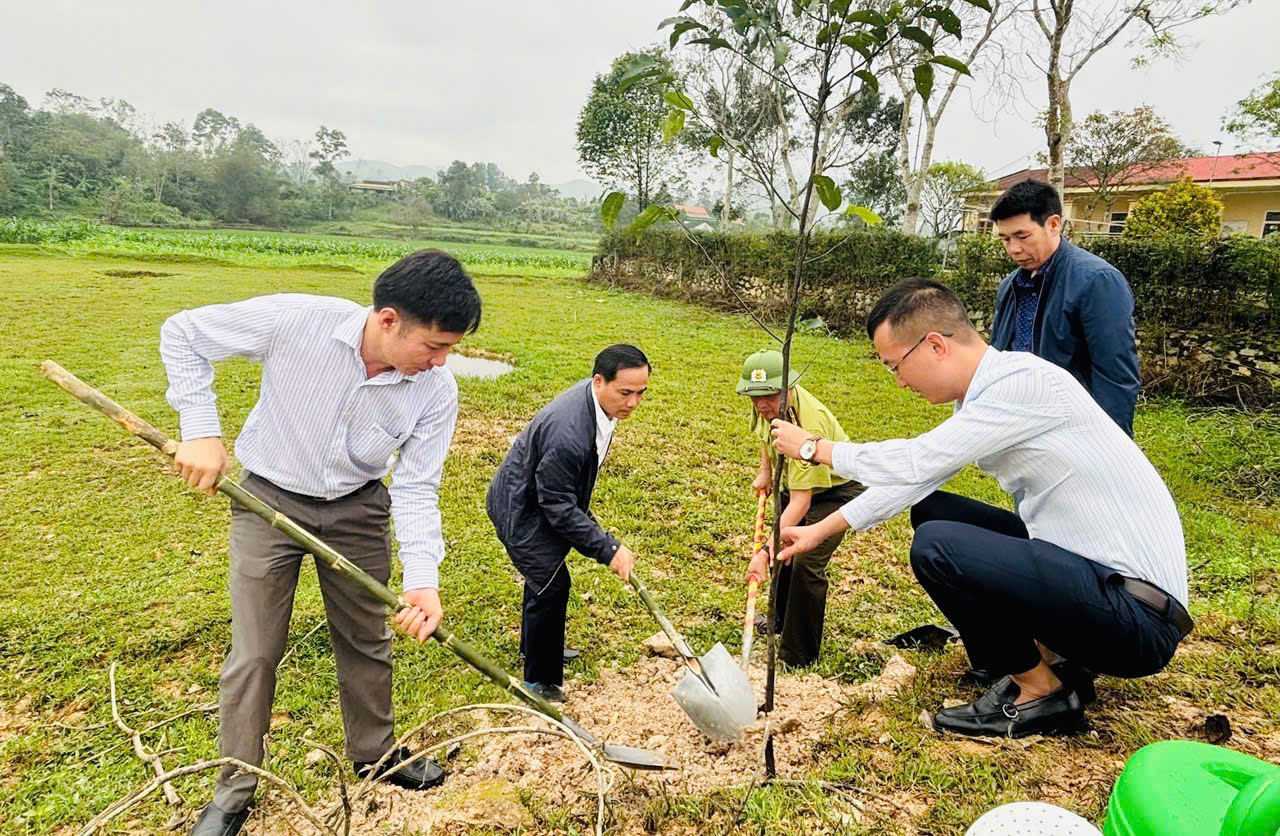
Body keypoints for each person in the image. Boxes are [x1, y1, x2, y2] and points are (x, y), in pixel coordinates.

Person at [770, 278, 1191, 739]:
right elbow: (917, 480)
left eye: (895, 366)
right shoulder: (991, 393)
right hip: (1099, 587)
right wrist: (820, 530)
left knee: (939, 545)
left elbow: (915, 460)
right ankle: (1038, 659)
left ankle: (1041, 691)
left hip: (1137, 618)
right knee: (933, 511)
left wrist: (814, 448)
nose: (900, 382)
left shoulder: (1023, 384)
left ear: (935, 345)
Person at [160, 249, 481, 836]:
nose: (440, 362)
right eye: (434, 346)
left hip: (358, 509)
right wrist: (200, 429)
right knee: (255, 652)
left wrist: (422, 579)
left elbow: (416, 486)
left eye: (449, 350)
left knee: (366, 638)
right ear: (388, 320)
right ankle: (234, 788)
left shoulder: (435, 390)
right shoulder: (297, 321)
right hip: (268, 502)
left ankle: (375, 754)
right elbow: (183, 333)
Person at [485, 345, 649, 703]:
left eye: (641, 393)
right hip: (521, 507)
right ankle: (538, 681)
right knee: (550, 581)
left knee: (544, 576)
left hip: (537, 495)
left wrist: (601, 541)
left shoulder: (597, 404)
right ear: (599, 381)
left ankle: (535, 646)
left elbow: (561, 496)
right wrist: (608, 549)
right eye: (626, 392)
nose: (634, 402)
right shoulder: (569, 434)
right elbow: (558, 505)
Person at [736, 350, 863, 667]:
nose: (762, 405)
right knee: (783, 556)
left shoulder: (807, 423)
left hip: (835, 491)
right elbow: (766, 437)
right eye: (755, 397)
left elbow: (801, 503)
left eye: (770, 396)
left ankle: (799, 654)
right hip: (797, 485)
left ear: (789, 388)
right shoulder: (767, 408)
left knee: (804, 560)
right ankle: (778, 621)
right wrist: (765, 471)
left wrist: (763, 553)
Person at [987, 179, 1140, 437]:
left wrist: (1109, 443)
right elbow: (1000, 355)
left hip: (1073, 428)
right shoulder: (1010, 285)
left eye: (1022, 236)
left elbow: (1115, 377)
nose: (1014, 249)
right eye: (1005, 239)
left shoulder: (1096, 280)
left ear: (1053, 224)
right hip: (1019, 425)